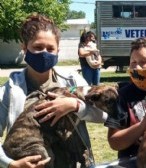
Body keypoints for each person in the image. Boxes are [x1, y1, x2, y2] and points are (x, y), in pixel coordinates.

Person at [0, 13, 107, 168]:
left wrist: (76, 106)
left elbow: (105, 116)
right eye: (37, 47)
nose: (44, 53)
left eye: (51, 48)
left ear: (58, 51)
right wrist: (11, 164)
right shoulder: (8, 91)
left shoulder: (72, 80)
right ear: (24, 48)